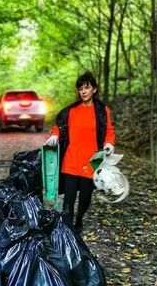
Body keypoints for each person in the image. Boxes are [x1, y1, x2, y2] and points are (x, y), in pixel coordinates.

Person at [45, 72, 115, 234]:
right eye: (80, 88)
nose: (83, 91)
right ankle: (68, 228)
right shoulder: (71, 111)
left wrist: (109, 143)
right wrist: (54, 135)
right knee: (68, 198)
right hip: (71, 160)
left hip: (91, 161)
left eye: (87, 88)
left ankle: (79, 219)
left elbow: (109, 130)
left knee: (85, 198)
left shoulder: (102, 111)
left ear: (94, 89)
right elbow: (59, 126)